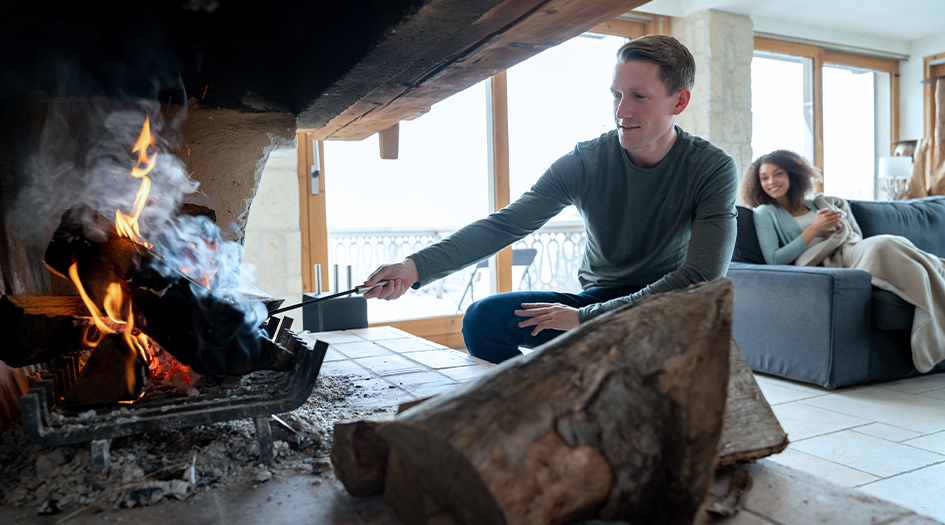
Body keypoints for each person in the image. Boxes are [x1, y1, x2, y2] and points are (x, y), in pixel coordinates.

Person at [363, 35, 739, 364]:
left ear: (679, 102)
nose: (622, 111)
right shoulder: (585, 162)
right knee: (482, 318)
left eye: (639, 96)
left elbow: (700, 278)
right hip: (594, 300)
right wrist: (414, 268)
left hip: (664, 310)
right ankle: (535, 410)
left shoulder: (711, 168)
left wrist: (585, 318)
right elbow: (507, 224)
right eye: (616, 95)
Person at [741, 149, 945, 373]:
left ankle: (936, 266)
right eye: (764, 177)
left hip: (851, 249)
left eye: (777, 174)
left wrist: (838, 231)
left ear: (792, 173)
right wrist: (814, 229)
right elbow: (774, 259)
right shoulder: (765, 212)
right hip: (828, 263)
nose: (771, 181)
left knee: (889, 241)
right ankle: (937, 267)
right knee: (882, 245)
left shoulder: (818, 203)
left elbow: (852, 235)